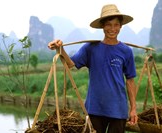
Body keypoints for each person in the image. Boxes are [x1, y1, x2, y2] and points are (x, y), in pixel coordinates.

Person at [48, 4, 138, 133]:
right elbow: (70, 64)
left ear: (121, 26)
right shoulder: (91, 48)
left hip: (118, 109)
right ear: (102, 26)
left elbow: (130, 81)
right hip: (95, 109)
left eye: (116, 25)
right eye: (108, 24)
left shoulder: (126, 51)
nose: (112, 29)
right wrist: (59, 48)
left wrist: (133, 108)